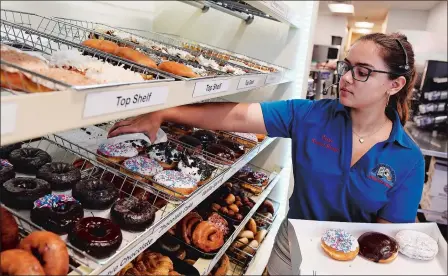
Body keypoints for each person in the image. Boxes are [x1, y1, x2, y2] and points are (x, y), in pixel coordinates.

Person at [108, 32, 424, 273]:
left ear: (394, 85)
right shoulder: (311, 116)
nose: (345, 78)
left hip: (350, 265)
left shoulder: (407, 158)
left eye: (363, 72)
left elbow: (386, 242)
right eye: (347, 67)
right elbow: (237, 116)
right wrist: (164, 113)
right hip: (290, 249)